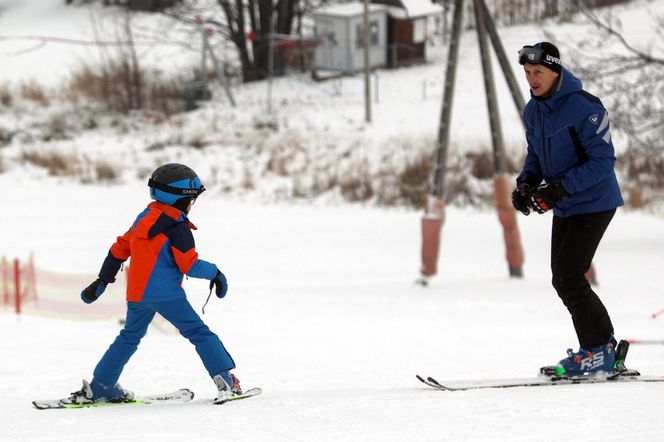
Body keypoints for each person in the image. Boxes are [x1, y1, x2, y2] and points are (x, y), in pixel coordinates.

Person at [67, 163, 241, 404]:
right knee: (199, 333)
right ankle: (226, 380)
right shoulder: (178, 228)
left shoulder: (144, 218)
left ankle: (101, 385)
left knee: (129, 337)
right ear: (180, 198)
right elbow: (189, 265)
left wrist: (102, 280)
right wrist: (215, 273)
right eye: (191, 199)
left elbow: (118, 250)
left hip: (138, 294)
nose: (192, 205)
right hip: (167, 295)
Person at [511, 42, 624, 377]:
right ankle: (602, 349)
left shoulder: (584, 107)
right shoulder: (534, 110)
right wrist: (527, 183)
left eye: (538, 73)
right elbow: (535, 154)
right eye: (528, 73)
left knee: (568, 275)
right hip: (566, 205)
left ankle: (598, 350)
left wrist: (557, 190)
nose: (532, 79)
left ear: (555, 71)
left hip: (594, 202)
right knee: (563, 278)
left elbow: (603, 161)